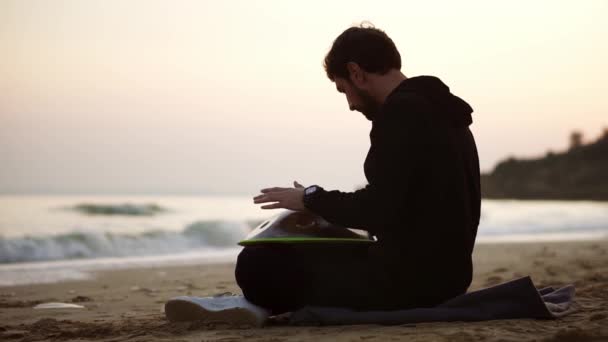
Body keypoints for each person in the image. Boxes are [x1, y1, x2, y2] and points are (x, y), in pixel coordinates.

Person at [166, 23, 480, 325]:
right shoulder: (446, 111)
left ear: (356, 72)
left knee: (257, 263)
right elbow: (403, 205)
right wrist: (324, 211)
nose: (350, 104)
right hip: (448, 276)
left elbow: (378, 209)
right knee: (303, 250)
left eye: (344, 89)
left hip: (412, 282)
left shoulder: (401, 113)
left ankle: (259, 303)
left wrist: (309, 198)